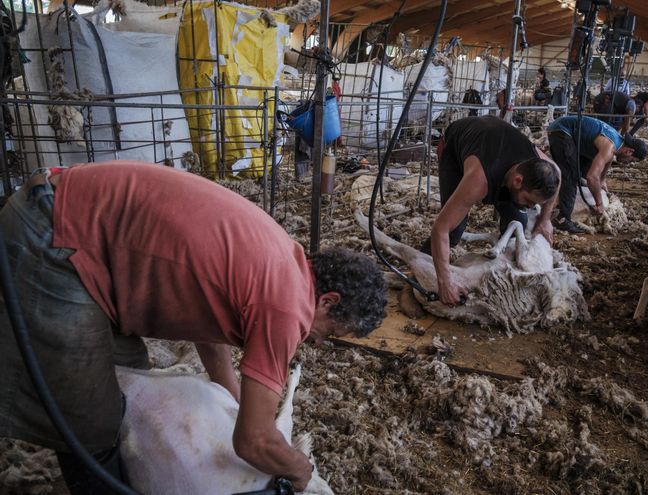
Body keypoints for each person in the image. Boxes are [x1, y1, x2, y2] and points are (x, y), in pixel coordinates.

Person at [0, 162, 388, 494]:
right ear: (328, 300)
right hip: (55, 237)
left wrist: (234, 399)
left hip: (76, 222)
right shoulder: (286, 305)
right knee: (90, 422)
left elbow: (206, 321)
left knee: (123, 383)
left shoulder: (285, 261)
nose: (318, 342)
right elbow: (251, 442)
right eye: (332, 332)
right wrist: (304, 472)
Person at [423, 115, 561, 306]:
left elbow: (558, 176)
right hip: (455, 147)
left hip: (496, 144)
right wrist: (445, 281)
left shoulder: (543, 167)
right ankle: (423, 263)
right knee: (454, 229)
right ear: (518, 180)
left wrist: (545, 220)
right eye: (530, 201)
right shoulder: (479, 180)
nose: (531, 207)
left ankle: (499, 267)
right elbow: (441, 228)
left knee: (518, 220)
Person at [547, 115, 647, 232]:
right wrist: (599, 203)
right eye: (632, 160)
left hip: (567, 133)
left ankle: (560, 200)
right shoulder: (610, 147)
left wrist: (602, 180)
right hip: (562, 131)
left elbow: (608, 160)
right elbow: (592, 177)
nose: (628, 163)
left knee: (581, 172)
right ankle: (562, 219)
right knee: (570, 176)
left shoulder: (618, 142)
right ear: (630, 151)